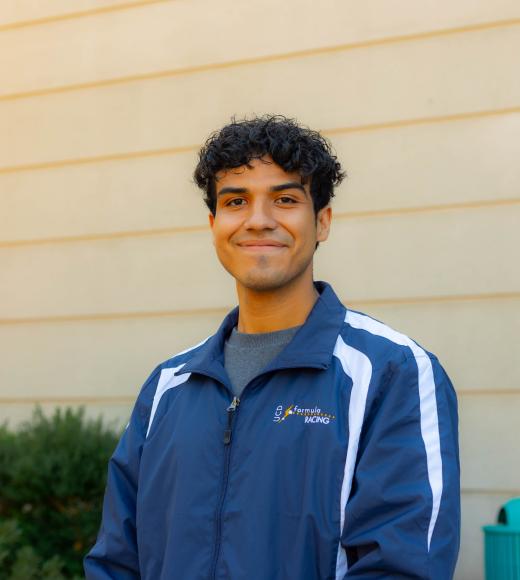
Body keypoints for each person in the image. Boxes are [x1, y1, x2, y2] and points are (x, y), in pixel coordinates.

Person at [84, 115, 460, 579]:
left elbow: (404, 567)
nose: (258, 221)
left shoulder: (392, 371)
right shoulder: (167, 386)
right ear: (214, 223)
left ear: (322, 221)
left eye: (284, 199)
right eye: (236, 201)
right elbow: (116, 560)